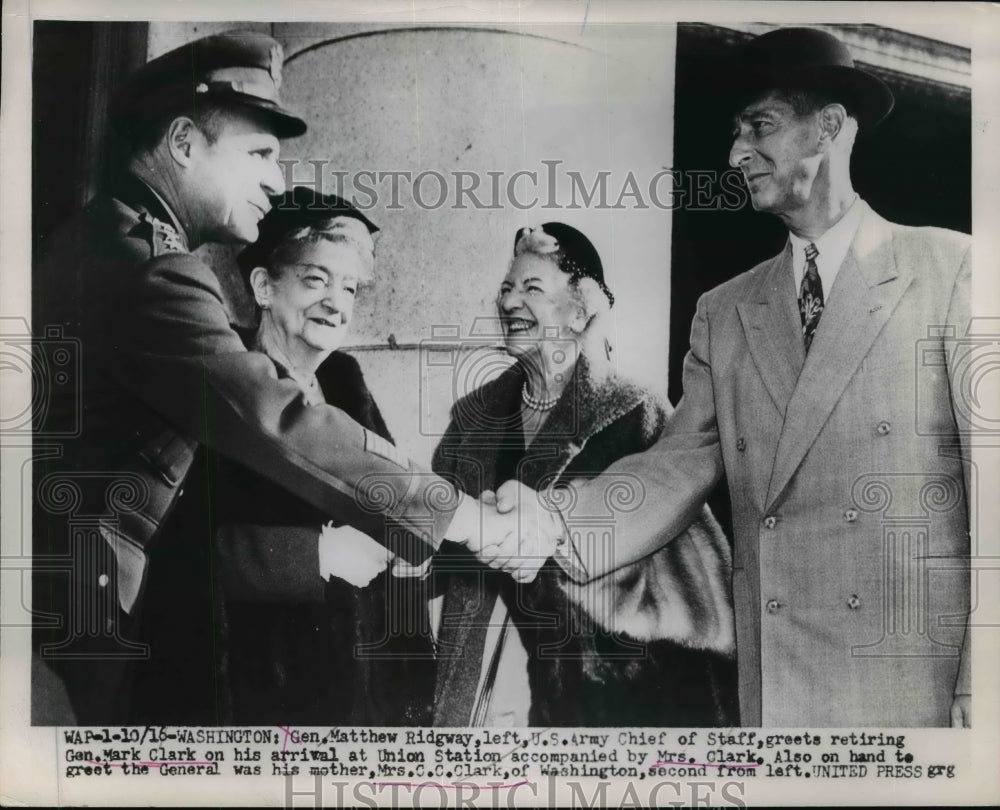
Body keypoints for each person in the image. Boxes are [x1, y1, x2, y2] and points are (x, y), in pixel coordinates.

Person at [482, 28, 973, 727]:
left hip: (914, 688)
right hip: (779, 687)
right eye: (735, 130)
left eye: (761, 125)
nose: (737, 152)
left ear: (829, 127)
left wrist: (982, 683)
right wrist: (550, 522)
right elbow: (675, 467)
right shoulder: (725, 309)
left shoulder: (952, 270)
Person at [31, 31, 500, 724]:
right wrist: (461, 515)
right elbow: (277, 421)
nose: (277, 181)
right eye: (259, 154)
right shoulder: (153, 271)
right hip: (90, 625)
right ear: (185, 144)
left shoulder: (112, 240)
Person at [431, 223, 736, 726]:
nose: (509, 303)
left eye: (533, 289)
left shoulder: (637, 412)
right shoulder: (473, 416)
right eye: (507, 288)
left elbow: (694, 575)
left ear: (578, 312)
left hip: (606, 691)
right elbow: (433, 538)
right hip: (485, 680)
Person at [212, 186, 435, 725]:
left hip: (358, 693)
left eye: (351, 287)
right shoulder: (221, 380)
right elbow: (176, 552)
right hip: (253, 694)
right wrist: (318, 555)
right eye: (316, 280)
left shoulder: (344, 380)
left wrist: (412, 557)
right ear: (264, 286)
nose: (337, 303)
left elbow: (397, 507)